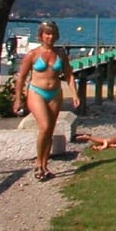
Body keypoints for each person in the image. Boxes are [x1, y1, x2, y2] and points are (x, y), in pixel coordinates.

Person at [12, 21, 81, 181]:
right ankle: (38, 164)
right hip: (37, 92)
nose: (50, 37)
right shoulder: (33, 54)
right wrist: (18, 99)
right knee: (44, 126)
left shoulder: (60, 54)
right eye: (47, 34)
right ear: (41, 35)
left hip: (55, 93)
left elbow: (69, 75)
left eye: (53, 34)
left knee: (50, 130)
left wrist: (75, 94)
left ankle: (45, 165)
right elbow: (21, 77)